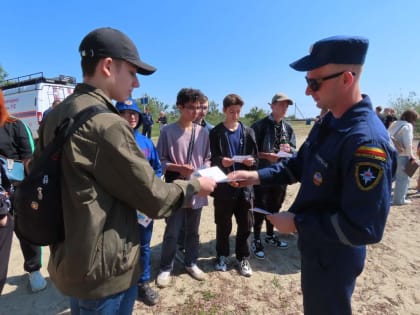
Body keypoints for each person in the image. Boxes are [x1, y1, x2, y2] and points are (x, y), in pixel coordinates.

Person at [33, 27, 216, 315]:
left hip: (73, 258)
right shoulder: (107, 124)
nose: (136, 84)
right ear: (108, 66)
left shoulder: (56, 115)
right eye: (132, 73)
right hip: (105, 271)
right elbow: (155, 198)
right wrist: (194, 185)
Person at [227, 36, 397, 315]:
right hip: (317, 248)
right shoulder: (330, 121)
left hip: (335, 256)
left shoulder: (366, 142)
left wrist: (297, 224)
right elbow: (297, 165)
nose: (307, 92)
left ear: (346, 79)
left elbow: (365, 228)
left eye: (315, 82)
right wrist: (256, 176)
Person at [156, 88, 211, 288]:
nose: (196, 112)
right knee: (172, 230)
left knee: (193, 231)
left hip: (196, 187)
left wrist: (201, 170)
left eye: (198, 108)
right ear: (179, 107)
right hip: (175, 188)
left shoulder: (203, 132)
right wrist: (178, 167)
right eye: (191, 108)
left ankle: (191, 263)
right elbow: (159, 160)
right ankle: (165, 268)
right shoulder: (167, 131)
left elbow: (207, 158)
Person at [0, 89, 47, 294]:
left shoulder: (14, 125)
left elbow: (29, 160)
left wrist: (32, 191)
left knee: (25, 229)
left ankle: (34, 269)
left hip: (17, 190)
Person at [116, 97, 161, 306]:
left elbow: (157, 169)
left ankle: (143, 283)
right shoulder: (110, 141)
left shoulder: (146, 142)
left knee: (143, 245)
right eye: (124, 113)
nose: (130, 116)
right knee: (118, 245)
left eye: (134, 113)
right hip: (119, 206)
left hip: (143, 207)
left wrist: (153, 193)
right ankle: (121, 284)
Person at [209, 93, 258, 277]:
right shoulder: (215, 133)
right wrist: (222, 161)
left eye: (238, 112)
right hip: (224, 186)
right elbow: (211, 158)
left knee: (246, 223)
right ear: (224, 110)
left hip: (245, 187)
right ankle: (221, 255)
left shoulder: (248, 132)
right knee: (223, 224)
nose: (235, 115)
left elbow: (256, 158)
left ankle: (243, 258)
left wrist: (250, 162)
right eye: (231, 112)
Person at [250, 92, 295, 259]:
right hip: (262, 175)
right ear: (272, 105)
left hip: (280, 175)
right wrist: (265, 156)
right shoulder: (259, 126)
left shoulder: (288, 128)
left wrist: (290, 150)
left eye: (287, 105)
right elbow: (250, 153)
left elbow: (293, 149)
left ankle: (269, 236)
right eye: (281, 104)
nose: (284, 108)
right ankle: (256, 239)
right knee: (259, 208)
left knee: (275, 207)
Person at [175, 94, 214, 262]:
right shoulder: (174, 129)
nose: (201, 111)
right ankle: (178, 246)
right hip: (180, 180)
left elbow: (209, 155)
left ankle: (190, 253)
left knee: (193, 217)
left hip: (200, 179)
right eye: (199, 107)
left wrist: (206, 171)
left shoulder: (209, 130)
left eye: (204, 108)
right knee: (179, 217)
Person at [388, 109, 419, 205]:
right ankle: (399, 200)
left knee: (392, 176)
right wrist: (412, 155)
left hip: (391, 154)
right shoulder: (408, 126)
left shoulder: (394, 123)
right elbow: (408, 142)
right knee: (403, 178)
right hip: (402, 155)